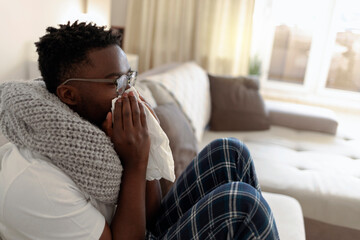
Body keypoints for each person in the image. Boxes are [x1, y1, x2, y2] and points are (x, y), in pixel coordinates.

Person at [0, 21, 279, 240]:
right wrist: (135, 161)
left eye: (129, 78)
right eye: (115, 82)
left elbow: (153, 215)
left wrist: (143, 147)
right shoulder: (37, 181)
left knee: (230, 152)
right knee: (241, 204)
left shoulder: (95, 130)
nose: (128, 91)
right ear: (69, 94)